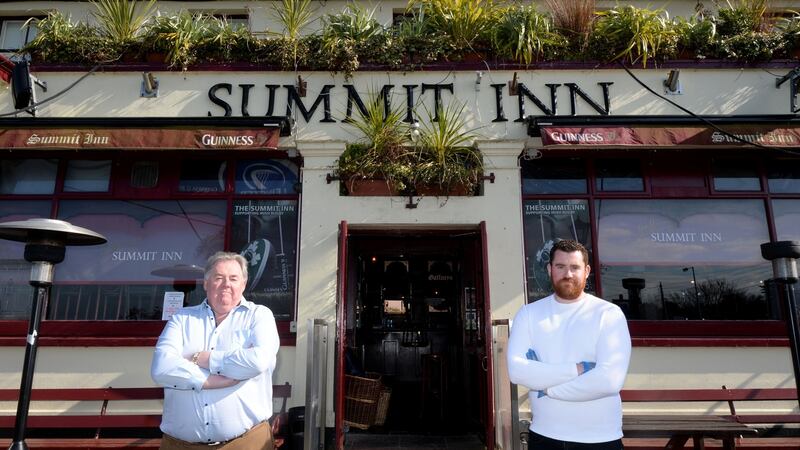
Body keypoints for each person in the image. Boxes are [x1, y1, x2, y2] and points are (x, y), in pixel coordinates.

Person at [507, 239, 631, 449]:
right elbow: (517, 371)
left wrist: (547, 388)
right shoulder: (529, 314)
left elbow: (609, 381)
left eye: (575, 267)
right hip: (544, 435)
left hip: (599, 438)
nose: (568, 274)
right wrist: (579, 368)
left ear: (587, 270)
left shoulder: (608, 314)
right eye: (560, 266)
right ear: (549, 269)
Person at [151, 251, 280, 450]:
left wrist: (202, 358)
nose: (226, 284)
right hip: (180, 445)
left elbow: (257, 362)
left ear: (243, 284)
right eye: (219, 278)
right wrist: (211, 381)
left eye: (233, 278)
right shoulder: (182, 318)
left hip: (246, 443)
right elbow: (161, 368)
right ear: (206, 283)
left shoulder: (259, 316)